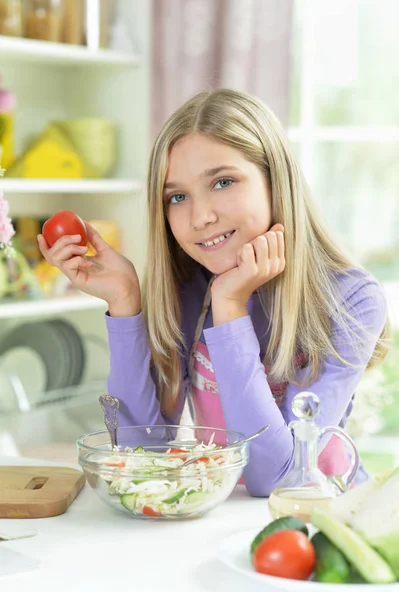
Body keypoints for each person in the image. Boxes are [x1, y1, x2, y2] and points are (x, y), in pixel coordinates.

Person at [38, 89, 389, 497]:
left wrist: (230, 307)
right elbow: (142, 452)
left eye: (223, 182)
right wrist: (125, 301)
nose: (201, 217)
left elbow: (277, 480)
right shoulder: (191, 289)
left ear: (275, 180)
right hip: (225, 526)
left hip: (325, 525)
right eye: (178, 197)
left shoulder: (351, 299)